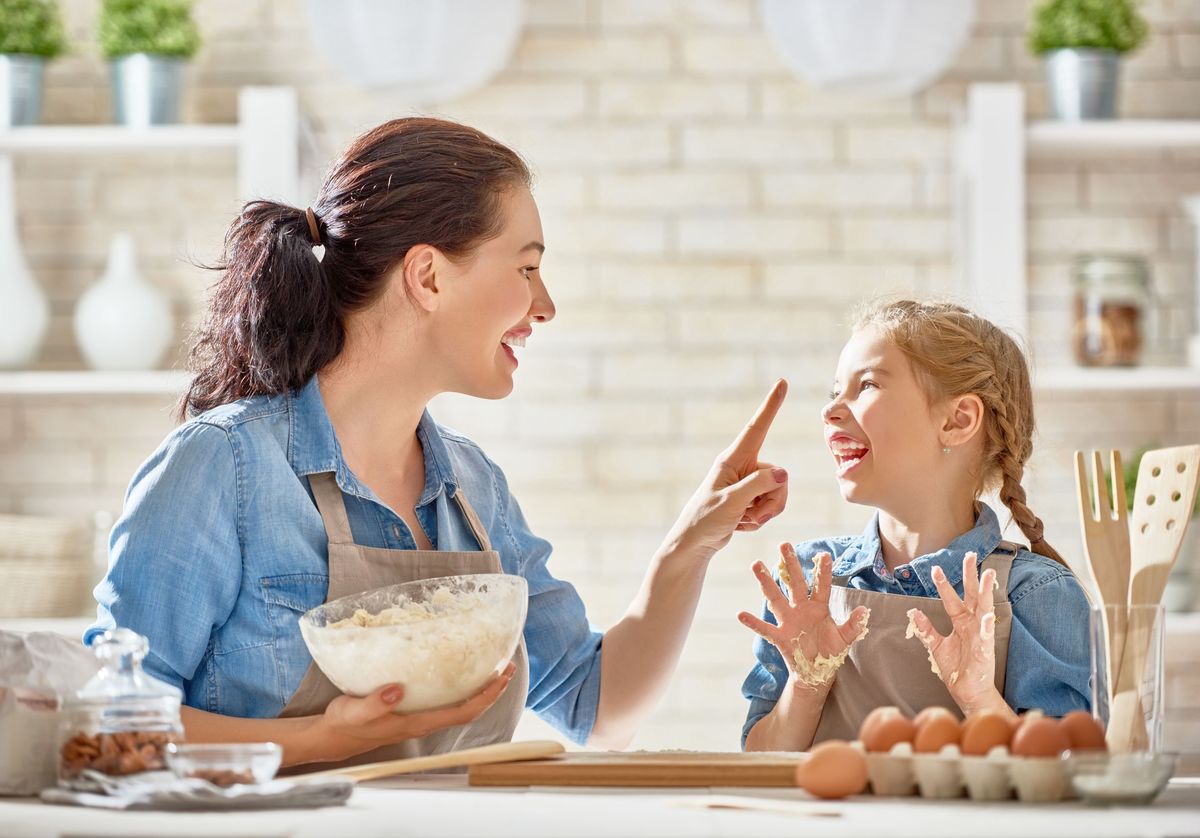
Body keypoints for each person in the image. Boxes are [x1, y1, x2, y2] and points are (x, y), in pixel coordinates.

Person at [87, 117, 790, 770]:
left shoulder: (473, 488)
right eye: (525, 268)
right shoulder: (224, 467)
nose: (544, 305)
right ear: (427, 277)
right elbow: (110, 727)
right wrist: (315, 738)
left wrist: (690, 547)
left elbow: (595, 710)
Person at [739, 299, 1090, 752]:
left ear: (957, 420)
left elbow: (1064, 777)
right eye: (833, 393)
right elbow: (757, 760)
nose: (831, 411)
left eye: (865, 385)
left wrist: (981, 698)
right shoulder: (810, 582)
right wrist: (806, 686)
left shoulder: (1036, 594)